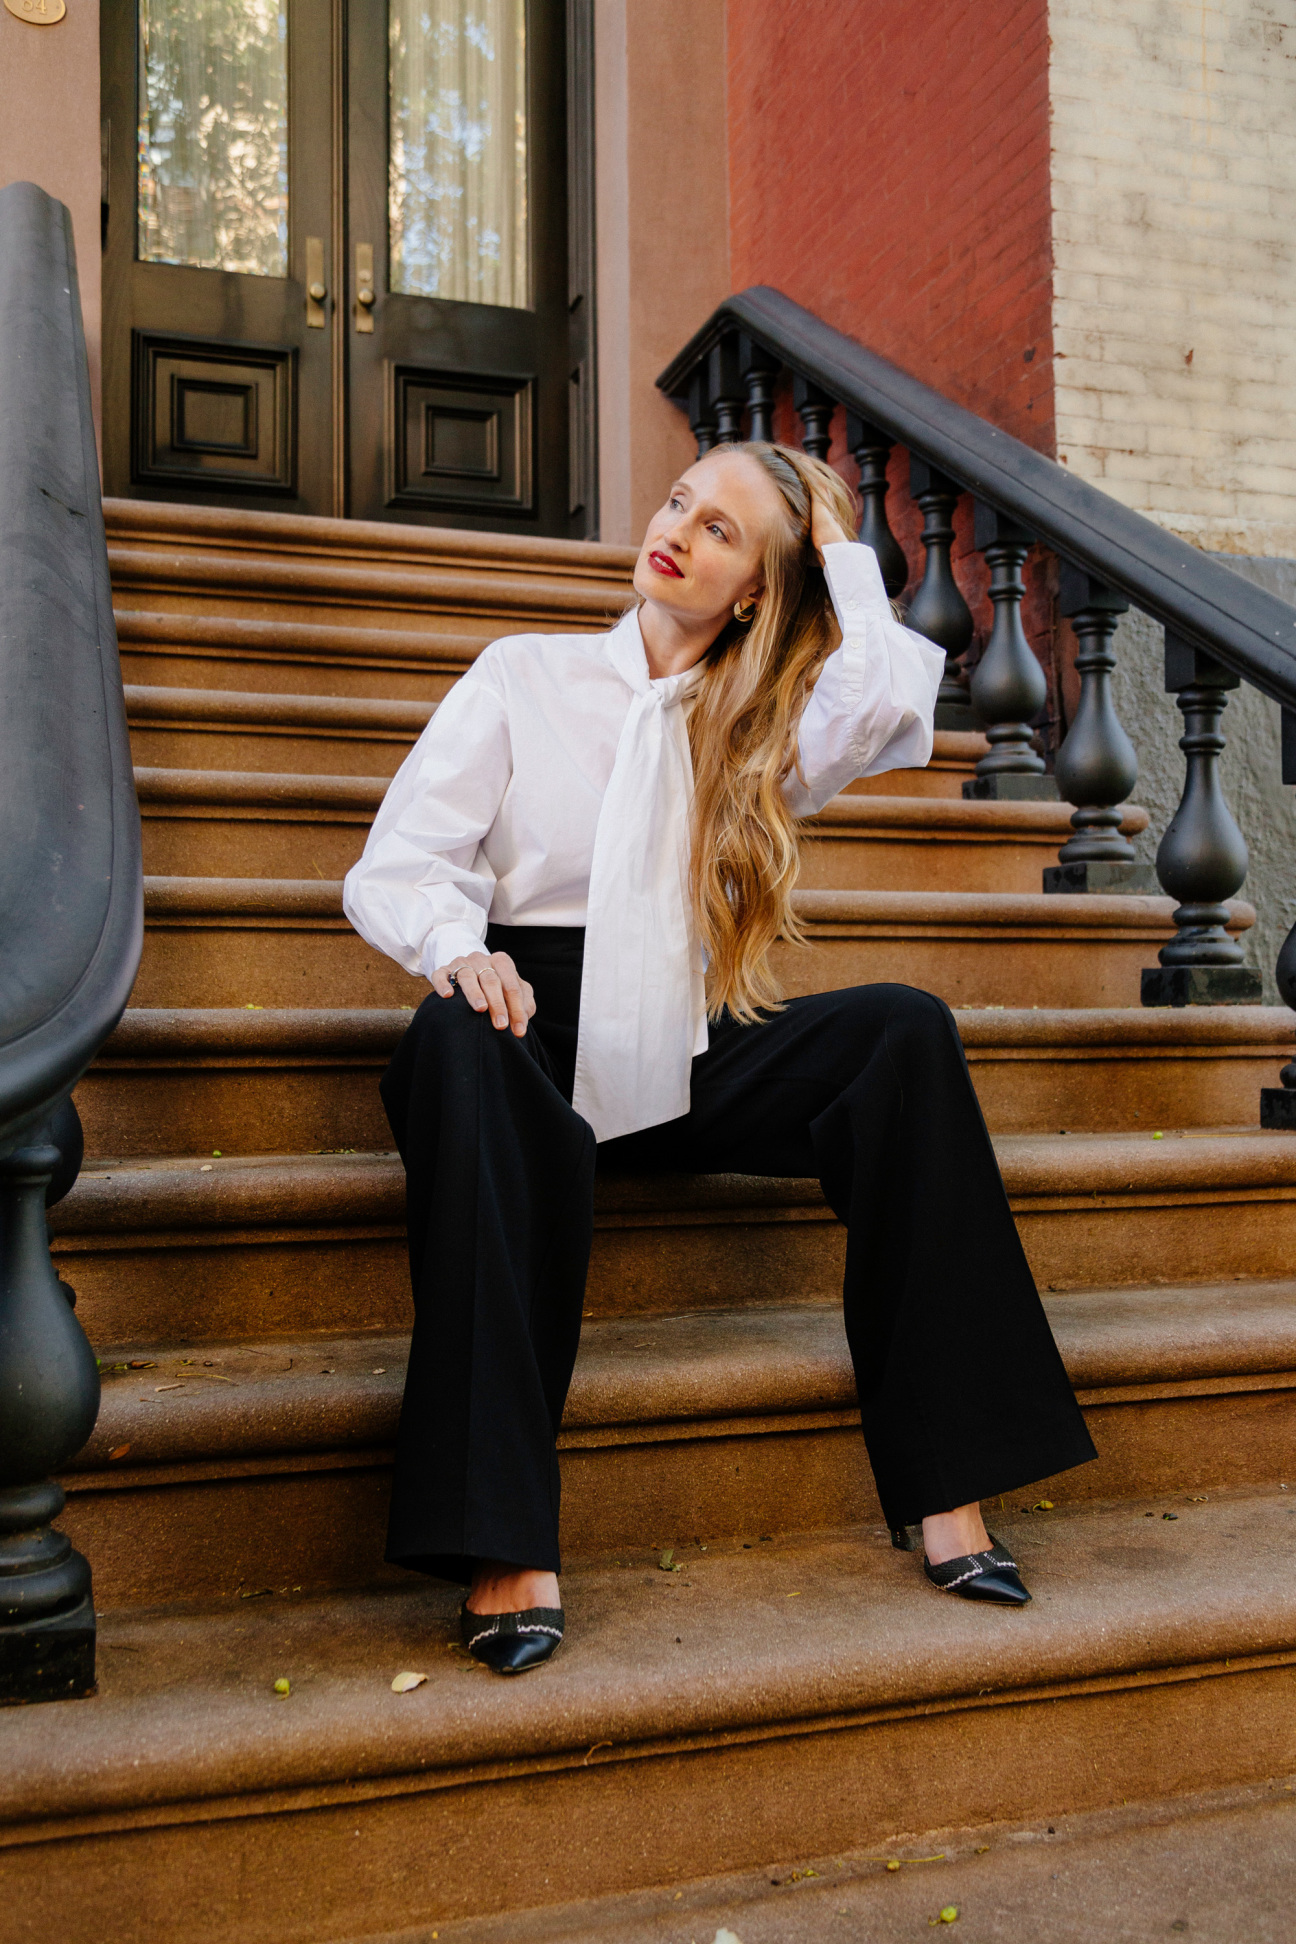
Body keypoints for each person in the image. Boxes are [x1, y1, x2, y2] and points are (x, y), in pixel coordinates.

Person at [343, 441, 1096, 1674]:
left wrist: (832, 550)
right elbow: (400, 862)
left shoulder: (764, 726)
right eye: (682, 502)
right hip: (526, 1020)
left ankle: (950, 1483)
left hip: (681, 1046)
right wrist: (457, 950)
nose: (680, 531)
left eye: (727, 531)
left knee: (904, 1031)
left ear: (759, 588)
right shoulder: (521, 675)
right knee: (448, 1041)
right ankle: (502, 1536)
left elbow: (895, 701)